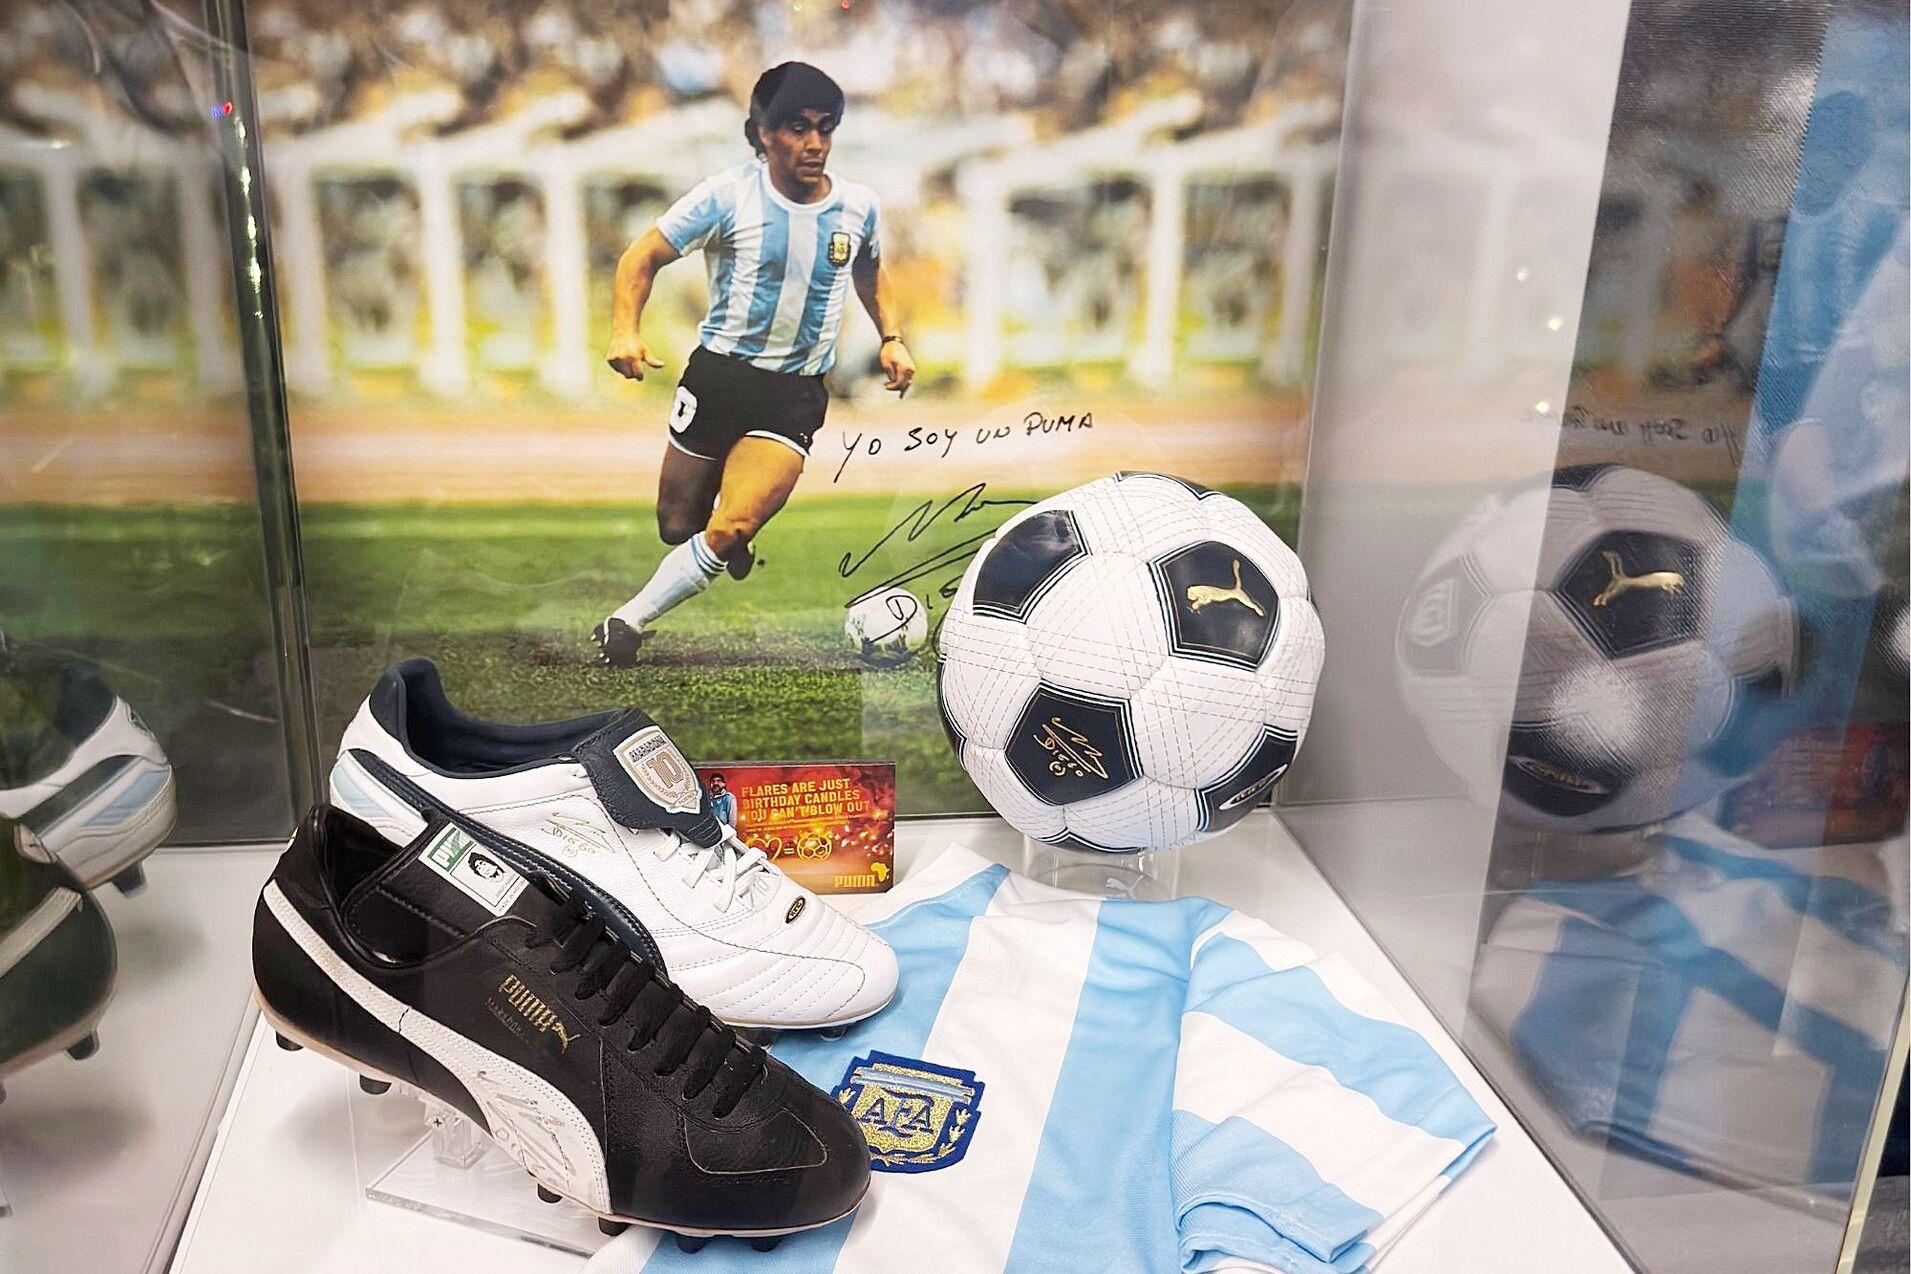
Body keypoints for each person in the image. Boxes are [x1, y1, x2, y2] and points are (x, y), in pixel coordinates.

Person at [596, 61, 915, 665]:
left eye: (825, 128)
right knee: (676, 524)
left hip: (793, 395)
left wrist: (891, 337)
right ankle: (727, 520)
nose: (814, 143)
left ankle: (626, 620)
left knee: (732, 525)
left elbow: (870, 268)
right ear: (763, 133)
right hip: (718, 378)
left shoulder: (858, 206)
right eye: (798, 128)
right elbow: (642, 255)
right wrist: (624, 331)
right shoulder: (726, 196)